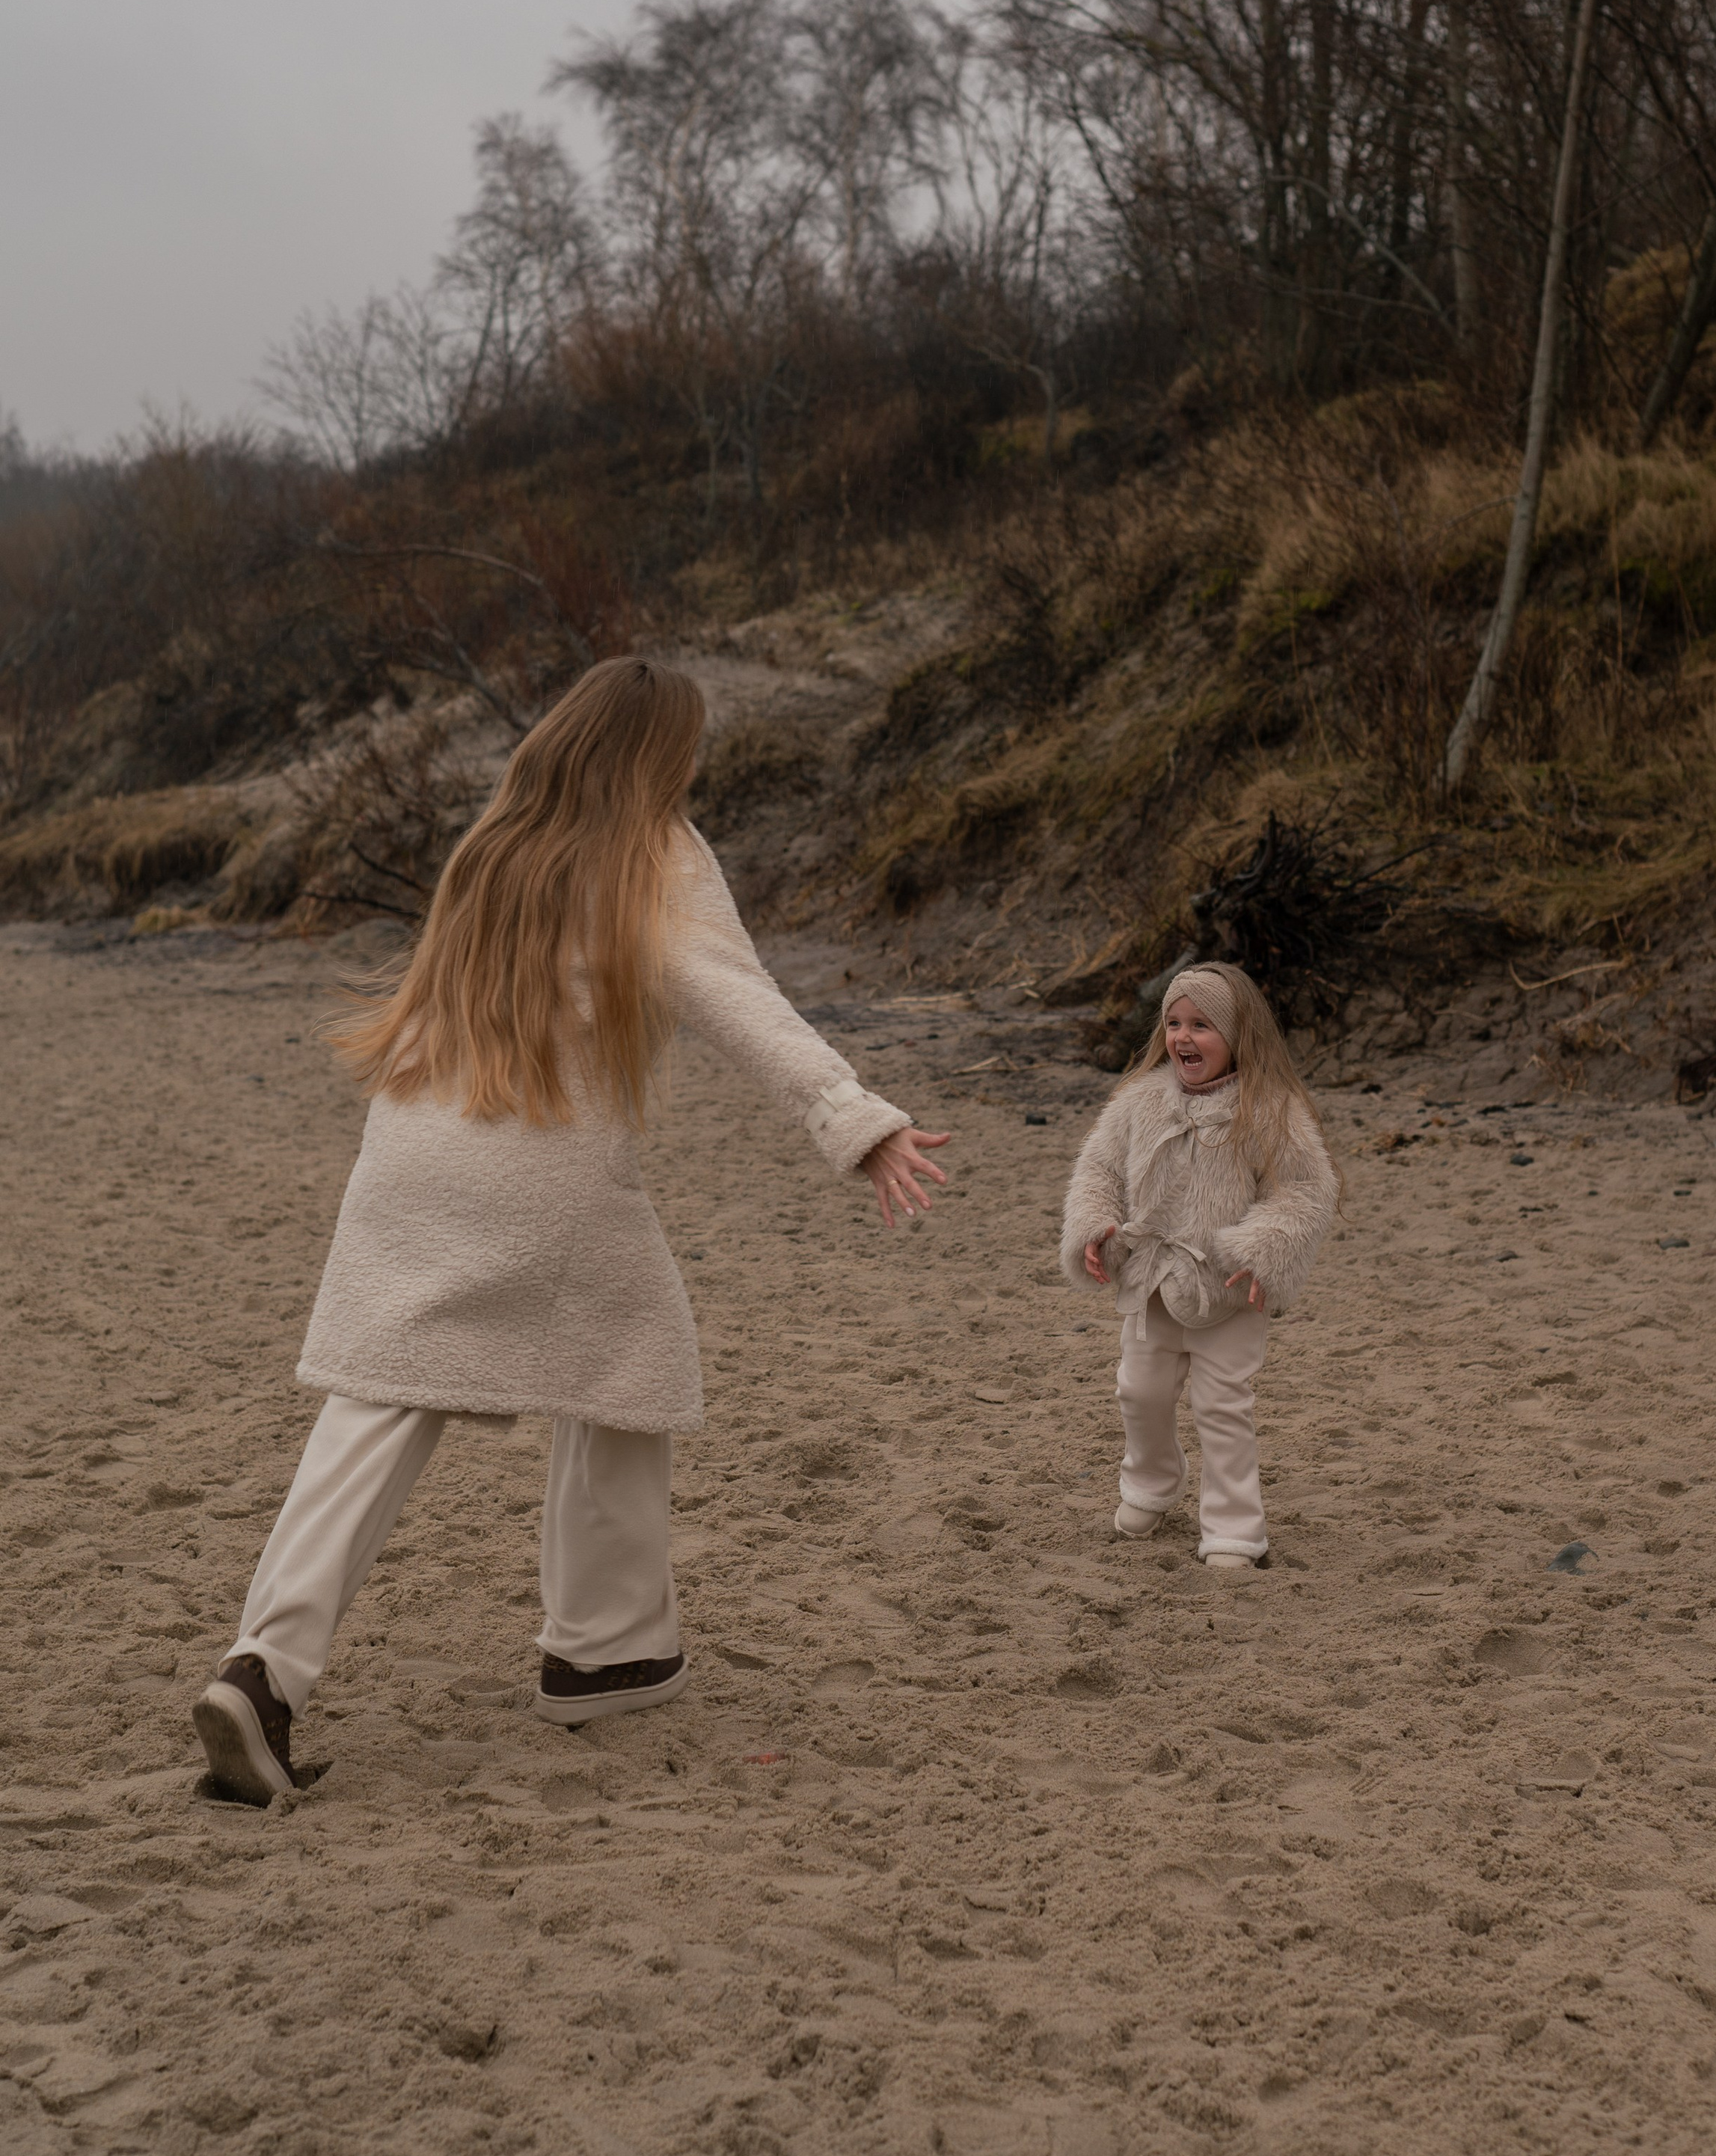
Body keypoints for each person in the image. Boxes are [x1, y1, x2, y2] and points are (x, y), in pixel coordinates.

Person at [191, 656, 949, 1804]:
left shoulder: (493, 843)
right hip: (538, 1165)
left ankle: (263, 1667)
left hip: (408, 1150)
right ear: (658, 755)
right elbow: (737, 997)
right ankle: (607, 1646)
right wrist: (854, 1118)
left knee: (383, 1396)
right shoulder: (656, 852)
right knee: (634, 1361)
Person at [1059, 961, 1337, 1566]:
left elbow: (1306, 1192)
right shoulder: (1139, 1102)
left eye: (1203, 1025)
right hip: (1153, 1281)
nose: (1184, 1037)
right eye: (1175, 1023)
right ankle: (1152, 1484)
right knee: (1139, 1392)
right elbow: (1100, 1170)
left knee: (1222, 1407)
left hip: (1232, 1291)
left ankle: (1234, 1528)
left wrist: (1263, 1252)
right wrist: (1095, 1227)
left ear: (1239, 1034)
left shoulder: (1269, 1110)